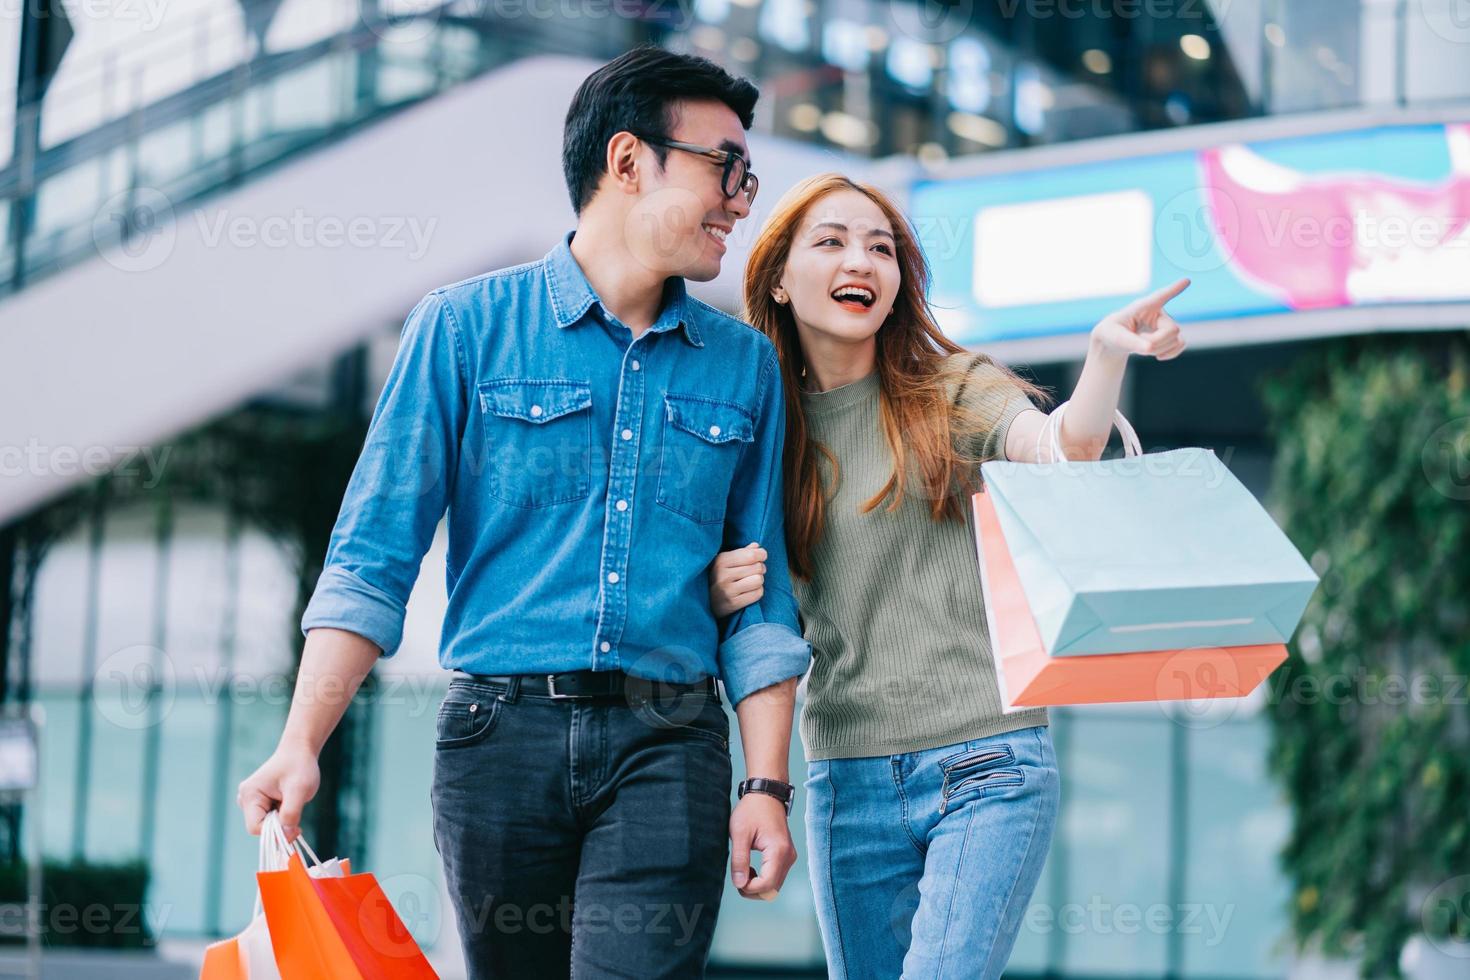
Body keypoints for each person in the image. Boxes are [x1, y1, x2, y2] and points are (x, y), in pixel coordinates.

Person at [235, 47, 813, 979]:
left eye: (748, 176)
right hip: (497, 745)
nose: (743, 200)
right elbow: (373, 554)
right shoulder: (463, 329)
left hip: (670, 745)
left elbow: (765, 603)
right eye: (726, 168)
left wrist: (767, 785)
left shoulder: (743, 367)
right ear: (629, 162)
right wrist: (299, 744)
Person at [708, 173, 1189, 979]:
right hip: (845, 780)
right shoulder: (761, 431)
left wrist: (1104, 357)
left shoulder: (951, 390)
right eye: (830, 241)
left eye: (881, 246)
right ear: (780, 280)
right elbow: (748, 611)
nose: (861, 259)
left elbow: (1063, 446)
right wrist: (719, 589)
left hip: (988, 765)